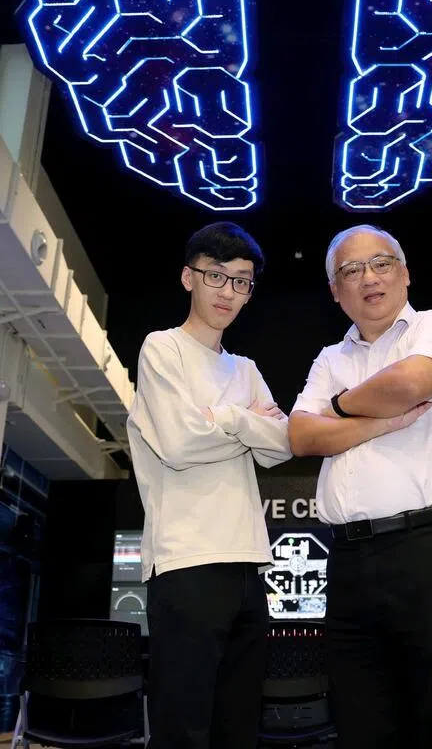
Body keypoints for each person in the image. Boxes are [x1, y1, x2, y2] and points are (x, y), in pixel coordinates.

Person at [288, 224, 432, 749]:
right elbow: (301, 435)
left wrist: (337, 407)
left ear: (404, 274)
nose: (369, 278)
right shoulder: (328, 359)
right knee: (363, 717)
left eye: (381, 264)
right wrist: (382, 420)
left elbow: (410, 384)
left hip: (431, 547)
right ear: (336, 292)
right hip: (349, 560)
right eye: (351, 270)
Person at [126, 221, 292, 749]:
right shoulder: (162, 349)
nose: (228, 292)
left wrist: (226, 419)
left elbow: (281, 446)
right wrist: (248, 420)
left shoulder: (245, 368)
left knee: (238, 728)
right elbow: (178, 443)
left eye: (241, 281)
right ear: (187, 278)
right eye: (216, 276)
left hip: (249, 562)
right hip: (185, 562)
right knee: (183, 729)